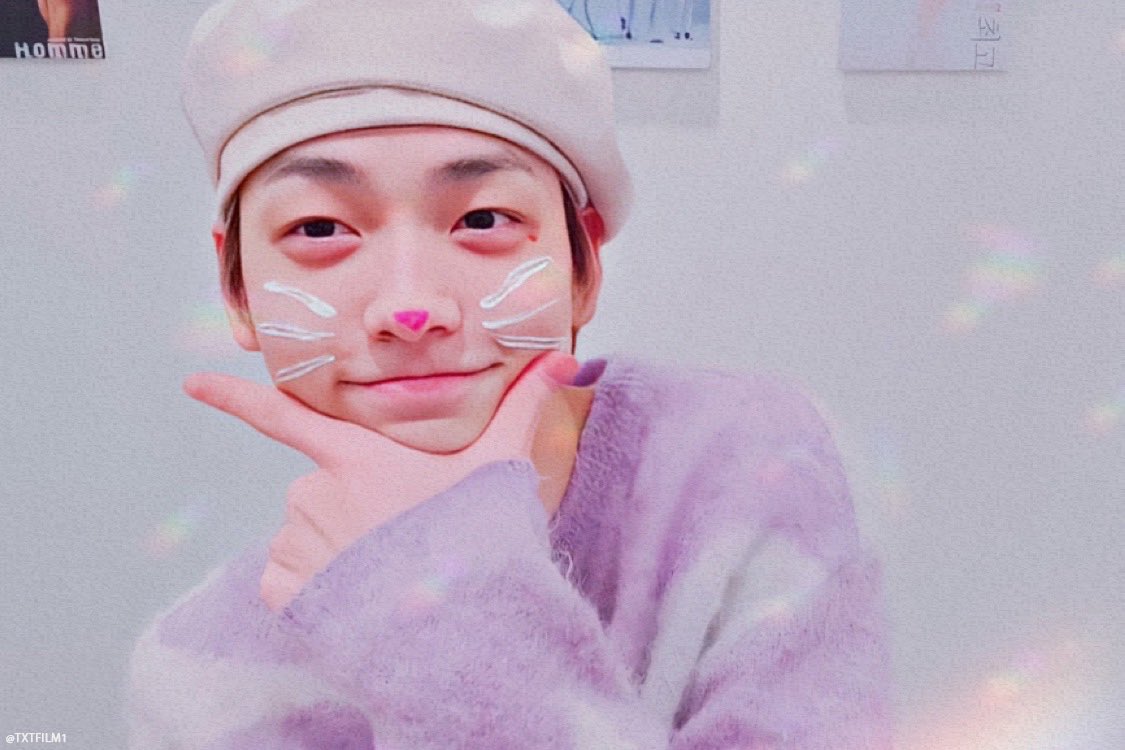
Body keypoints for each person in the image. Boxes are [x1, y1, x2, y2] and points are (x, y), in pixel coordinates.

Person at [125, 1, 893, 747]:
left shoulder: (739, 464)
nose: (411, 309)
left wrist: (441, 610)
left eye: (483, 219)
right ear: (236, 290)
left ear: (584, 268)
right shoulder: (200, 677)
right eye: (319, 227)